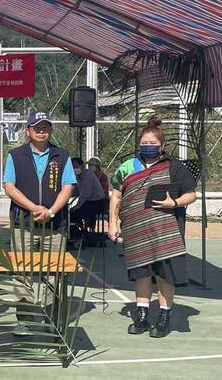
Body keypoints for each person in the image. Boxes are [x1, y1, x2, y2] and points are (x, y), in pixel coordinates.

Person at [107, 116, 196, 338]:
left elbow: (191, 194)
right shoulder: (128, 167)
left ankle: (164, 316)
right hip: (136, 231)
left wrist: (174, 203)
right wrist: (112, 222)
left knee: (165, 275)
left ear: (162, 145)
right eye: (144, 143)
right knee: (141, 273)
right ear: (139, 145)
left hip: (166, 232)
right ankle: (142, 315)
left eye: (153, 144)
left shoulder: (174, 167)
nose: (148, 147)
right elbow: (116, 196)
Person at [2, 110, 76, 335]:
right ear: (28, 131)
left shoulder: (62, 156)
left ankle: (51, 319)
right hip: (23, 225)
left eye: (45, 127)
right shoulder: (15, 156)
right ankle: (24, 319)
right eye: (37, 127)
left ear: (51, 130)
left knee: (54, 274)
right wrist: (34, 208)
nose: (41, 131)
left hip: (55, 226)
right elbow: (9, 187)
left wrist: (51, 212)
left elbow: (68, 187)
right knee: (21, 273)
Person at [69, 157, 107, 246]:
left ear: (82, 166)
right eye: (72, 167)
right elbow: (76, 192)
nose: (74, 169)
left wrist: (77, 206)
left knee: (74, 214)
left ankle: (82, 235)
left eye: (76, 166)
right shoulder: (77, 177)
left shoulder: (88, 175)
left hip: (97, 202)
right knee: (71, 213)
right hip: (88, 202)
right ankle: (81, 233)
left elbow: (85, 194)